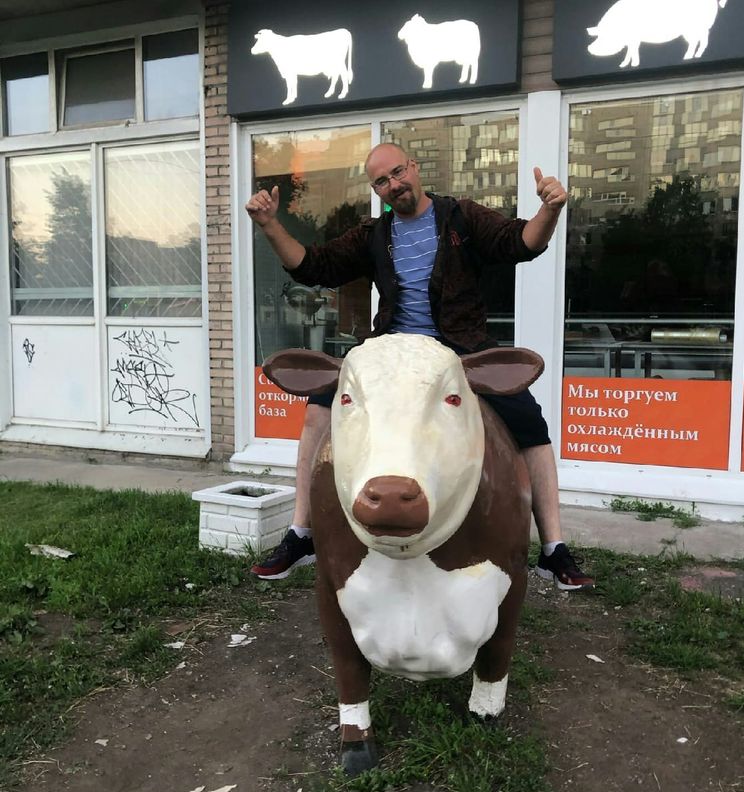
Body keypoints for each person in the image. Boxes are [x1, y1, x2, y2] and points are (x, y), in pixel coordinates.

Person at [245, 143, 594, 591]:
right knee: (318, 410)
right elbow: (315, 267)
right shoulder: (374, 234)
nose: (393, 185)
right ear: (376, 190)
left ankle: (553, 548)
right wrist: (271, 225)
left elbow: (520, 243)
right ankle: (301, 533)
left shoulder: (461, 218)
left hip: (460, 349)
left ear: (414, 167)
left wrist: (551, 210)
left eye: (397, 173)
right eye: (382, 182)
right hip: (392, 354)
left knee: (530, 424)